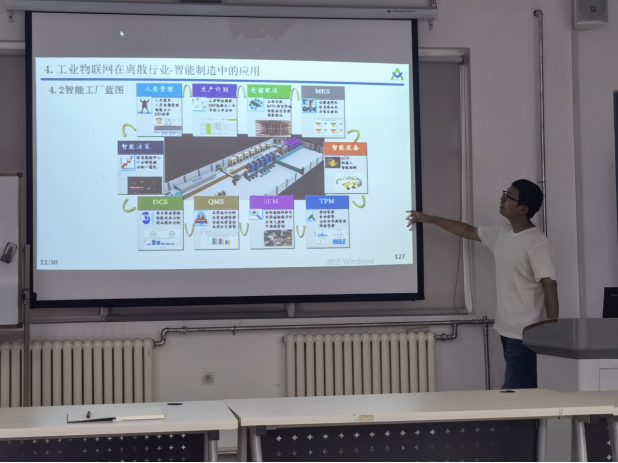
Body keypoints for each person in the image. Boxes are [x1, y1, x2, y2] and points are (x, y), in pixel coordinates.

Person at [406, 180, 559, 389]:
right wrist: (430, 219)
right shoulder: (502, 233)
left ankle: (521, 412)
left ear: (523, 209)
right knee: (523, 389)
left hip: (526, 333)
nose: (502, 198)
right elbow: (468, 231)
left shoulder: (537, 243)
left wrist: (551, 330)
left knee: (516, 391)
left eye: (509, 196)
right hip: (507, 330)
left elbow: (550, 286)